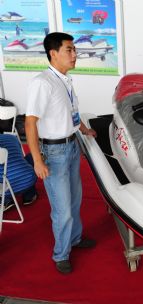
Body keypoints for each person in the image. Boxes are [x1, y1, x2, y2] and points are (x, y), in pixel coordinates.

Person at [25, 32, 97, 274]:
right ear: (53, 53)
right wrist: (37, 160)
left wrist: (85, 129)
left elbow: (70, 113)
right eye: (69, 50)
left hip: (72, 145)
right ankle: (61, 254)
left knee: (75, 200)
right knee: (62, 208)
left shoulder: (65, 80)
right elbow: (30, 123)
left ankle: (75, 239)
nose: (75, 54)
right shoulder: (42, 82)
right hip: (53, 151)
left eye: (74, 50)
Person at [0, 134, 37, 211]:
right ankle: (29, 194)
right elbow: (21, 156)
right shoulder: (12, 137)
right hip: (28, 180)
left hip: (4, 189)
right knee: (30, 157)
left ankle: (6, 200)